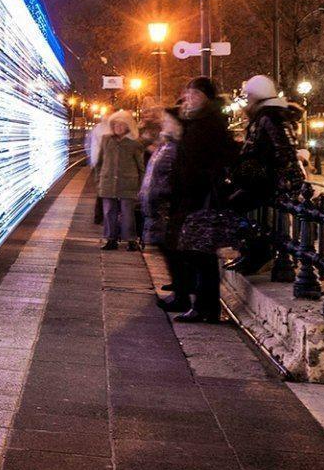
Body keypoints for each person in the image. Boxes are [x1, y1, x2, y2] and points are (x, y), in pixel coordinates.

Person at [161, 76, 234, 322]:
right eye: (188, 94)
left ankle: (206, 308)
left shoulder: (209, 123)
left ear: (207, 98)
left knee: (200, 253)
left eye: (195, 95)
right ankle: (202, 306)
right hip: (191, 195)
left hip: (201, 196)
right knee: (196, 252)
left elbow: (212, 159)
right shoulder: (198, 121)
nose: (189, 99)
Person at [226, 75, 304, 275]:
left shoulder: (269, 116)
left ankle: (258, 254)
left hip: (266, 180)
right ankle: (251, 253)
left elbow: (282, 149)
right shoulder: (272, 114)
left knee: (236, 206)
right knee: (245, 211)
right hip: (265, 178)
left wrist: (279, 176)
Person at [95, 114, 148, 250]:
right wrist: (98, 180)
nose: (118, 127)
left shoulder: (134, 143)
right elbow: (100, 162)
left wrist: (141, 186)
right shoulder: (106, 140)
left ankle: (131, 240)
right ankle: (111, 239)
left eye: (121, 124)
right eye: (115, 124)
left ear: (128, 126)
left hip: (128, 183)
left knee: (128, 213)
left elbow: (140, 166)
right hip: (108, 182)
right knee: (109, 212)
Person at [139, 107, 179, 250]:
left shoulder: (173, 149)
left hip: (162, 214)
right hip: (154, 214)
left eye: (167, 121)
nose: (164, 123)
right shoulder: (165, 146)